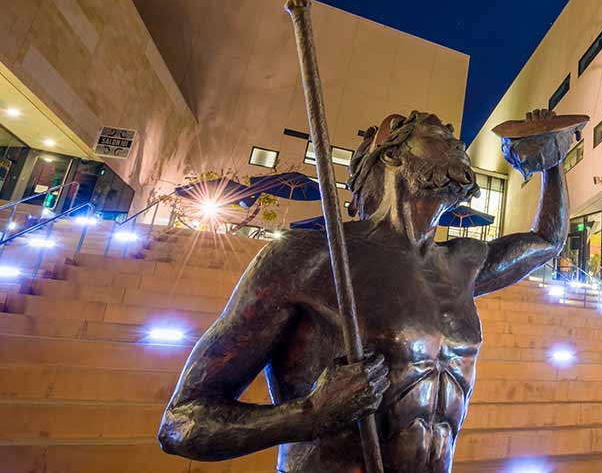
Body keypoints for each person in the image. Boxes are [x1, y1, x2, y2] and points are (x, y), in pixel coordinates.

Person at [157, 109, 572, 473]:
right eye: (437, 132)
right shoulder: (310, 257)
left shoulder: (461, 261)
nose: (456, 139)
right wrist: (309, 415)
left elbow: (546, 241)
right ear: (391, 154)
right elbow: (184, 422)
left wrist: (553, 160)